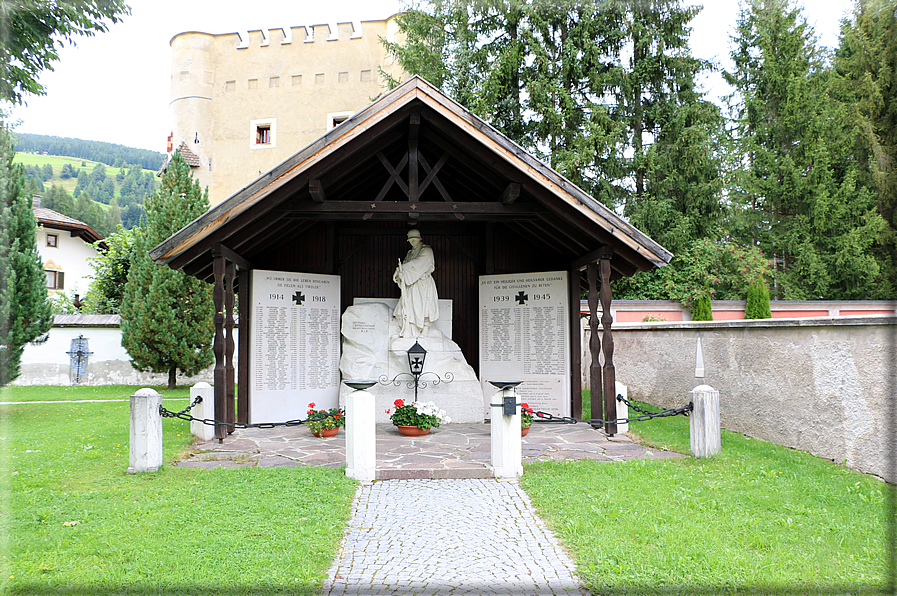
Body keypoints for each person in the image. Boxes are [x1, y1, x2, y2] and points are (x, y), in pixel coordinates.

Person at [393, 229, 439, 338]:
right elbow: (404, 266)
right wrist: (399, 273)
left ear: (419, 239)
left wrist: (402, 269)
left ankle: (424, 330)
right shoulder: (410, 253)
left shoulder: (426, 250)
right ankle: (409, 330)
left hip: (422, 284)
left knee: (423, 307)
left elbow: (418, 264)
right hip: (411, 285)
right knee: (408, 307)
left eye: (414, 239)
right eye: (410, 240)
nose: (412, 242)